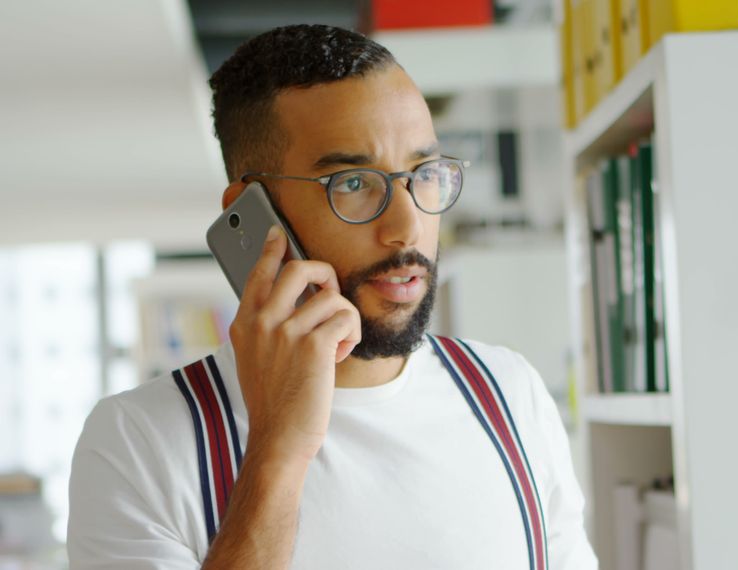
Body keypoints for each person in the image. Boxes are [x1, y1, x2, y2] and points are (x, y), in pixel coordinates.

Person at [67, 24, 597, 570]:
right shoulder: (139, 442)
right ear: (250, 212)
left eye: (424, 173)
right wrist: (276, 451)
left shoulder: (510, 394)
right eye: (352, 182)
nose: (407, 227)